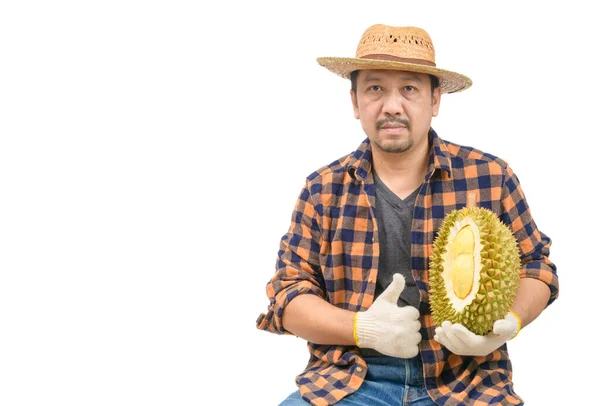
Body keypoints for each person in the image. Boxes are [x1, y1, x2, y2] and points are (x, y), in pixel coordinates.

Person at [256, 24, 558, 406]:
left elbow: (537, 268)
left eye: (410, 89)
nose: (392, 106)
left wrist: (507, 323)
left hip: (466, 381)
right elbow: (288, 294)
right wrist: (361, 329)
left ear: (435, 101)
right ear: (355, 102)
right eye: (375, 88)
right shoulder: (322, 190)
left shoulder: (491, 178)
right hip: (349, 378)